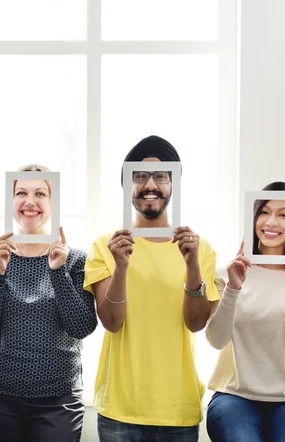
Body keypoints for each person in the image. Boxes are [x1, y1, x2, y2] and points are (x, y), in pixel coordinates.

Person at [84, 135, 219, 441]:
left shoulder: (201, 249)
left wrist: (192, 265)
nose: (150, 185)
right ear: (127, 186)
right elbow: (112, 323)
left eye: (161, 176)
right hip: (120, 407)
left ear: (175, 185)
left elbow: (196, 323)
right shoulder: (106, 245)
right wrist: (120, 267)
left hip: (177, 407)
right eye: (140, 176)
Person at [0, 164, 97, 442]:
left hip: (59, 398)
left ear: (52, 202)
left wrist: (58, 272)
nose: (30, 201)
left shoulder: (76, 260)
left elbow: (82, 327)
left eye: (40, 193)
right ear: (11, 202)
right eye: (21, 193)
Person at [205, 181, 285, 442]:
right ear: (254, 217)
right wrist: (234, 289)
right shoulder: (227, 274)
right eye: (265, 212)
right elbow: (216, 339)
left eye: (283, 215)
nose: (271, 222)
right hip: (234, 396)